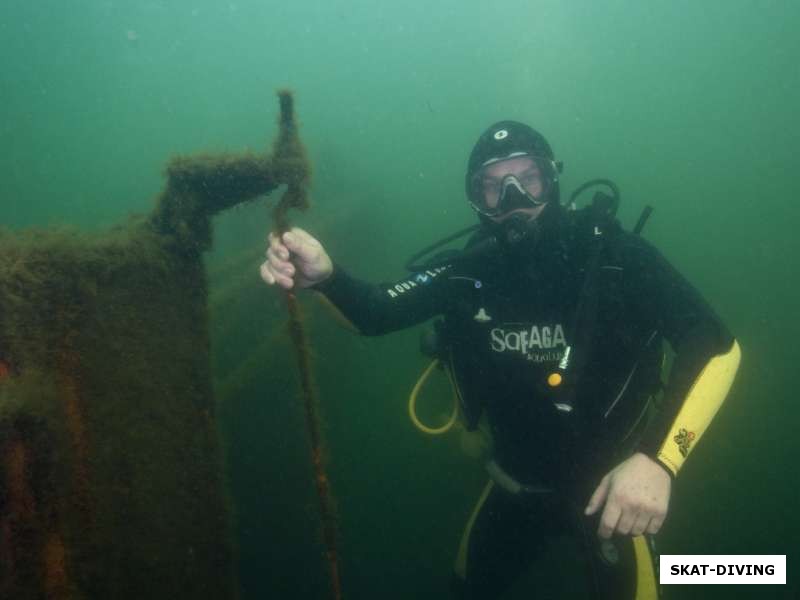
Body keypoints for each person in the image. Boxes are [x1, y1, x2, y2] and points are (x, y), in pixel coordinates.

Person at [260, 121, 741, 599]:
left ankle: (737, 568)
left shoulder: (615, 256)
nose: (512, 197)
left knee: (716, 573)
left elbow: (715, 346)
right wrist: (324, 276)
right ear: (475, 198)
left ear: (552, 180)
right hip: (515, 487)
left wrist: (659, 461)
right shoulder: (470, 271)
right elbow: (375, 310)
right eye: (492, 186)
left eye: (527, 179)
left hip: (618, 493)